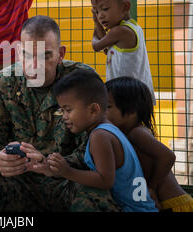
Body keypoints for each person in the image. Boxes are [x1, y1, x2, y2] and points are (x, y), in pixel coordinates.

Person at [0, 15, 121, 212]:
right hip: (16, 183)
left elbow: (95, 150)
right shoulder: (3, 84)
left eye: (45, 56)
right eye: (27, 55)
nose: (35, 65)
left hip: (66, 182)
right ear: (18, 52)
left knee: (96, 199)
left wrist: (51, 164)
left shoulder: (82, 82)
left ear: (60, 54)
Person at [38, 69, 157, 212]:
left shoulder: (100, 136)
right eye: (62, 110)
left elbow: (105, 180)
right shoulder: (108, 129)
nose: (64, 116)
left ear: (94, 109)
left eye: (68, 110)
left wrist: (67, 171)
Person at [105, 76, 193, 212]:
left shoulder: (137, 133)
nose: (103, 112)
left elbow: (168, 156)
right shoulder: (126, 134)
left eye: (108, 107)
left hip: (174, 205)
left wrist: (151, 187)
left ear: (131, 111)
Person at [90, 0, 155, 104]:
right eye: (96, 11)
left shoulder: (120, 31)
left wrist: (95, 23)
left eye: (105, 9)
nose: (100, 15)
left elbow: (96, 46)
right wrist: (98, 24)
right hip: (133, 95)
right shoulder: (131, 28)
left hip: (131, 96)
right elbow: (106, 49)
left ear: (125, 7)